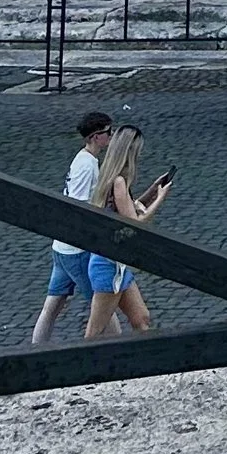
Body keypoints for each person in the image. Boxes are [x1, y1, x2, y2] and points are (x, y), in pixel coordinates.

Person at [82, 120, 174, 339]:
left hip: (115, 264)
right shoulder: (119, 182)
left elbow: (126, 210)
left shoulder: (111, 178)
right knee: (94, 333)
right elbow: (135, 225)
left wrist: (152, 191)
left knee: (142, 318)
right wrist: (160, 199)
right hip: (108, 267)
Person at [30, 108, 113, 346]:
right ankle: (119, 348)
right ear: (96, 136)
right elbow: (78, 207)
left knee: (52, 305)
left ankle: (37, 350)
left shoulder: (83, 160)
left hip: (62, 247)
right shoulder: (87, 165)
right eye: (109, 132)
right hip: (77, 250)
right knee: (103, 304)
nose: (111, 136)